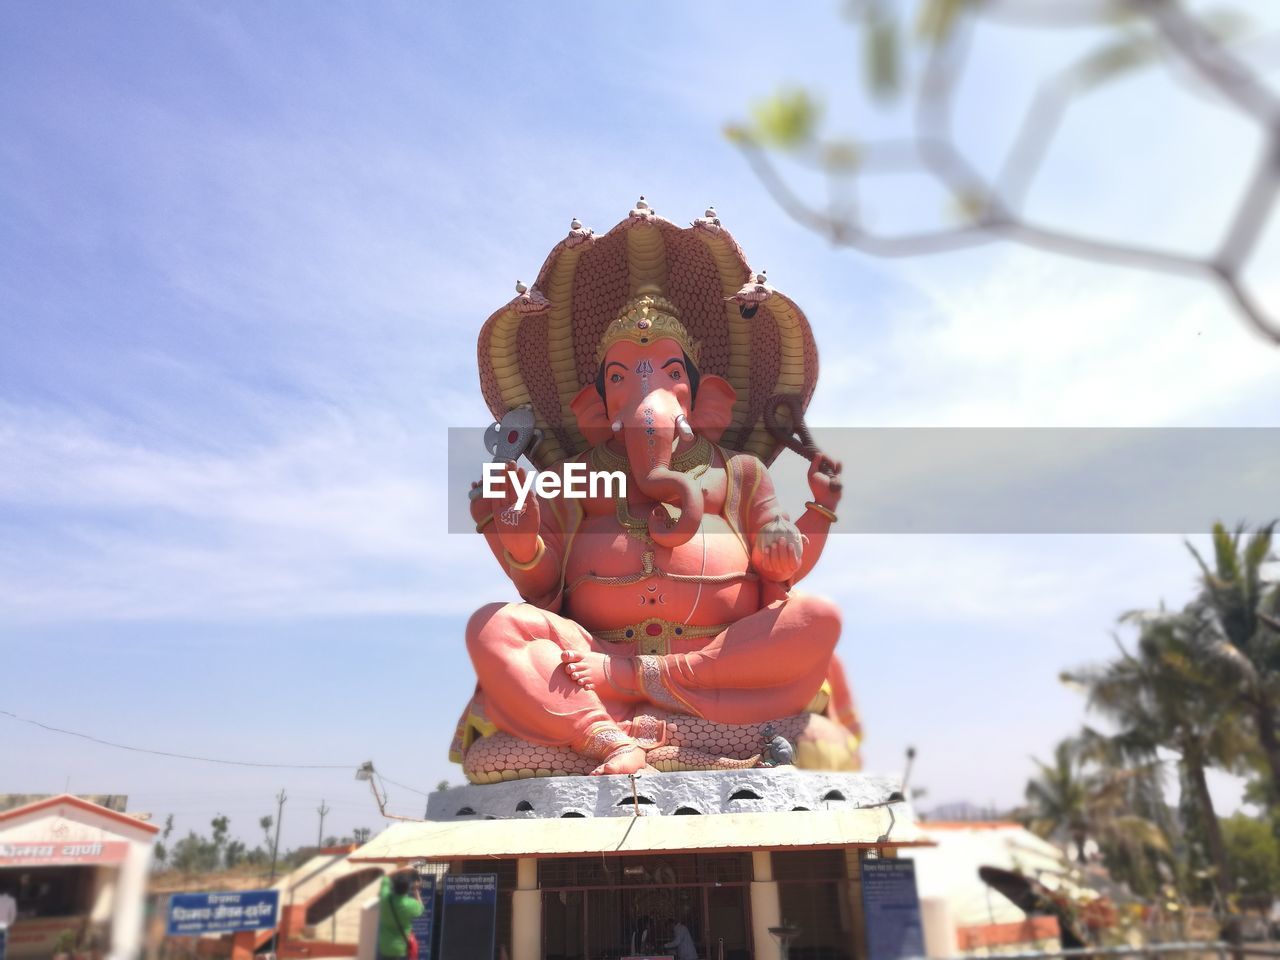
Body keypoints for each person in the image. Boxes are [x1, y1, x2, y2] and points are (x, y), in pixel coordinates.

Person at [377, 871, 424, 960]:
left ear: (393, 887)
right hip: (401, 949)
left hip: (385, 948)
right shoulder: (410, 905)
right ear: (407, 889)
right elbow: (421, 908)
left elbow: (385, 877)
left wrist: (402, 869)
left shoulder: (385, 898)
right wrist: (415, 890)